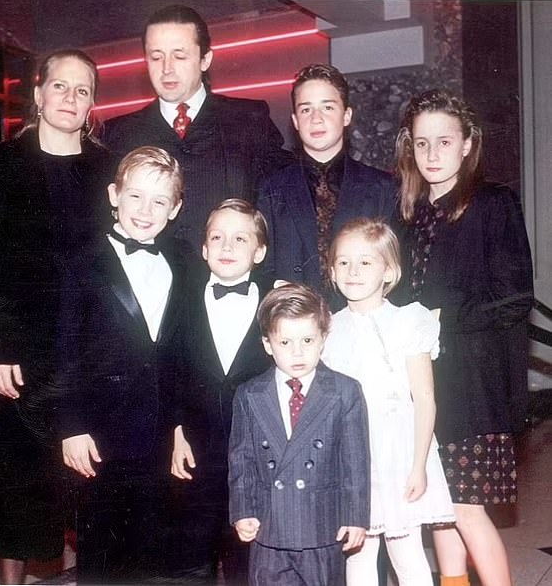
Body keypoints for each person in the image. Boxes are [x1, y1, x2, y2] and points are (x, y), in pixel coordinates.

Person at [0, 49, 114, 585]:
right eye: (61, 87)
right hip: (16, 353)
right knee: (14, 488)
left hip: (83, 349)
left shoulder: (106, 169)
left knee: (85, 482)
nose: (70, 98)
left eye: (83, 90)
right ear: (39, 93)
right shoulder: (2, 164)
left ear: (93, 102)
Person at [394, 89, 534, 586]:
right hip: (423, 386)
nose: (433, 154)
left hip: (473, 384)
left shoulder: (494, 202)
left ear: (468, 144)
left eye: (445, 142)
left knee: (467, 511)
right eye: (422, 143)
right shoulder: (409, 216)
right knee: (439, 510)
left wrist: (440, 320)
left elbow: (515, 296)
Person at [59, 146, 192, 584]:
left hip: (158, 433)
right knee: (100, 551)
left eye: (159, 201)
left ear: (175, 208)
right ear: (113, 194)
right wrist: (71, 426)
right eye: (135, 196)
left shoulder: (185, 261)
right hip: (100, 431)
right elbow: (65, 347)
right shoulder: (81, 259)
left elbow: (180, 354)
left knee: (150, 550)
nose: (145, 210)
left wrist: (178, 428)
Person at [322, 218, 455, 585]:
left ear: (389, 270)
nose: (352, 271)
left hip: (399, 452)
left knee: (406, 550)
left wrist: (418, 465)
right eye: (343, 262)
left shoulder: (409, 321)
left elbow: (425, 399)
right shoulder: (328, 329)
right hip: (352, 457)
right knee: (359, 549)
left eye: (365, 262)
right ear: (332, 271)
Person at [104, 4, 294, 249]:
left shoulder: (249, 119)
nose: (167, 68)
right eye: (156, 57)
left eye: (179, 56)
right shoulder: (119, 133)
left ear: (205, 59)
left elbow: (281, 205)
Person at [228, 283, 370, 586]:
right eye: (285, 342)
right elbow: (242, 460)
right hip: (269, 529)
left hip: (322, 528)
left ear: (323, 339)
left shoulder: (345, 392)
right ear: (267, 344)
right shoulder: (249, 394)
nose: (298, 352)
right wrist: (242, 511)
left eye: (307, 340)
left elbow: (355, 464)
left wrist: (356, 516)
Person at [171, 198, 274, 583]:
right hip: (195, 452)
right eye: (217, 237)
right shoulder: (180, 302)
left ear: (259, 251)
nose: (227, 247)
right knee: (191, 553)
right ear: (203, 249)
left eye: (240, 238)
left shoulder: (274, 306)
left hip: (256, 458)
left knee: (247, 558)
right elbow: (172, 371)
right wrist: (177, 433)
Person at [258, 64, 397, 305]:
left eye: (328, 107)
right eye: (306, 109)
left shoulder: (384, 188)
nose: (316, 118)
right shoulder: (271, 188)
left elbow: (395, 272)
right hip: (295, 331)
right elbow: (263, 269)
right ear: (295, 121)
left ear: (347, 116)